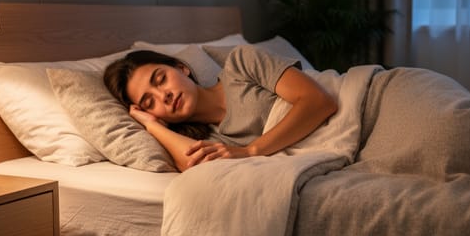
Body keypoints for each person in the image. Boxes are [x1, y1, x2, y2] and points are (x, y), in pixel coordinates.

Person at [103, 46, 337, 172]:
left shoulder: (240, 65)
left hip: (352, 106)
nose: (164, 96)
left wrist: (251, 151)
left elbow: (318, 100)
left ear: (182, 68)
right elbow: (196, 168)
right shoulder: (210, 141)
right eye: (149, 102)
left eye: (161, 79)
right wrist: (152, 126)